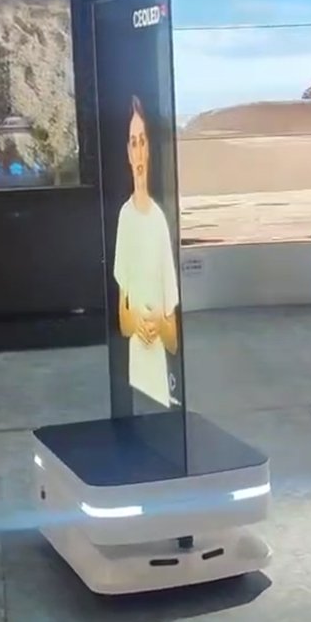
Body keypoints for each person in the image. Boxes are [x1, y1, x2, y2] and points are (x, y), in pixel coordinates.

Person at [113, 95, 180, 407]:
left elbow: (174, 338)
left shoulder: (159, 221)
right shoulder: (125, 218)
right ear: (128, 152)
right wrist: (137, 322)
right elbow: (123, 321)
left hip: (159, 375)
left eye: (142, 142)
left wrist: (158, 325)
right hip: (135, 369)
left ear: (149, 148)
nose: (138, 150)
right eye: (133, 142)